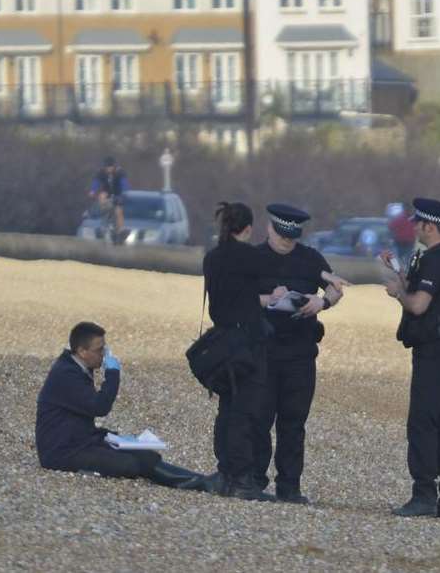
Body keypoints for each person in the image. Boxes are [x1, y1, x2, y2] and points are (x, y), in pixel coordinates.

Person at [252, 203, 346, 504]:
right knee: (259, 418)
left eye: (291, 238)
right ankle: (254, 481)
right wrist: (269, 299)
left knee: (293, 422)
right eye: (281, 236)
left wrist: (323, 303)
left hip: (300, 351)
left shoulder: (310, 259)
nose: (286, 242)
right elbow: (236, 295)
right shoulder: (253, 259)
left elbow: (335, 287)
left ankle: (289, 486)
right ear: (270, 228)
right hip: (262, 351)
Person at [35, 321, 204, 489]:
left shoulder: (77, 365)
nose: (104, 355)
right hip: (61, 451)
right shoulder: (66, 374)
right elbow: (99, 407)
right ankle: (197, 483)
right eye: (100, 350)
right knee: (129, 465)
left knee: (146, 456)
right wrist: (113, 373)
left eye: (104, 349)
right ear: (82, 351)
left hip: (80, 439)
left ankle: (199, 481)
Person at [380, 197, 440, 521]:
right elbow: (424, 293)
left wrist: (397, 293)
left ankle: (424, 495)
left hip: (435, 351)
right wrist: (398, 273)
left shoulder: (437, 261)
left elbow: (418, 305)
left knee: (422, 423)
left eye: (418, 223)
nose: (413, 227)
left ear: (429, 226)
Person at [200, 202, 277, 501]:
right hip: (248, 342)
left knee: (227, 408)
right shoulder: (251, 257)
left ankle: (225, 474)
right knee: (247, 411)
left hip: (222, 343)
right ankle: (243, 480)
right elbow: (265, 277)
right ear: (247, 229)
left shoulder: (212, 258)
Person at [89, 156, 129, 242]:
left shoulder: (120, 172)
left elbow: (124, 183)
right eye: (106, 167)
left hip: (118, 193)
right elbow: (96, 182)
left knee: (118, 210)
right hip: (107, 192)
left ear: (113, 166)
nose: (108, 169)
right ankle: (104, 219)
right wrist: (92, 191)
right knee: (102, 196)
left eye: (110, 167)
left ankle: (121, 229)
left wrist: (124, 192)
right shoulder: (101, 172)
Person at [387, 202, 418, 270]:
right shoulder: (400, 218)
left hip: (408, 242)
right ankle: (398, 270)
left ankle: (404, 271)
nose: (409, 210)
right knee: (397, 258)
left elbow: (391, 227)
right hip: (400, 242)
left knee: (406, 258)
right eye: (407, 208)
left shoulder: (413, 219)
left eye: (409, 209)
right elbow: (391, 228)